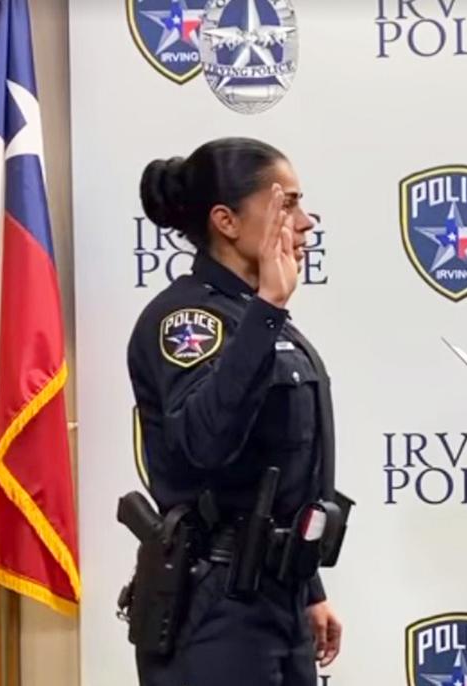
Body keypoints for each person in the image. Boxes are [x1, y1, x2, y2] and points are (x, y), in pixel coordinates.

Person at [122, 136, 347, 686]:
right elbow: (204, 444)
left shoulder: (258, 317)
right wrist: (268, 309)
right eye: (287, 204)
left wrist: (309, 590)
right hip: (216, 603)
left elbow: (286, 468)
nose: (306, 222)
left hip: (279, 597)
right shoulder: (187, 321)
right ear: (226, 221)